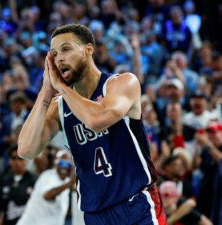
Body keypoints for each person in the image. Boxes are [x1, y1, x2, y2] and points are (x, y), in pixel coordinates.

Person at [18, 24, 167, 225]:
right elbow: (26, 150)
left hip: (136, 203)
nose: (59, 58)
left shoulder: (122, 83)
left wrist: (61, 87)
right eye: (53, 53)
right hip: (95, 214)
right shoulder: (60, 106)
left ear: (88, 49)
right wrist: (45, 94)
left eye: (66, 49)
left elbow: (97, 120)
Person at [16, 150, 75, 225]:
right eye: (61, 163)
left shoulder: (66, 181)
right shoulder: (48, 176)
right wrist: (70, 183)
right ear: (55, 163)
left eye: (67, 164)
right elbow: (47, 195)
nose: (64, 167)